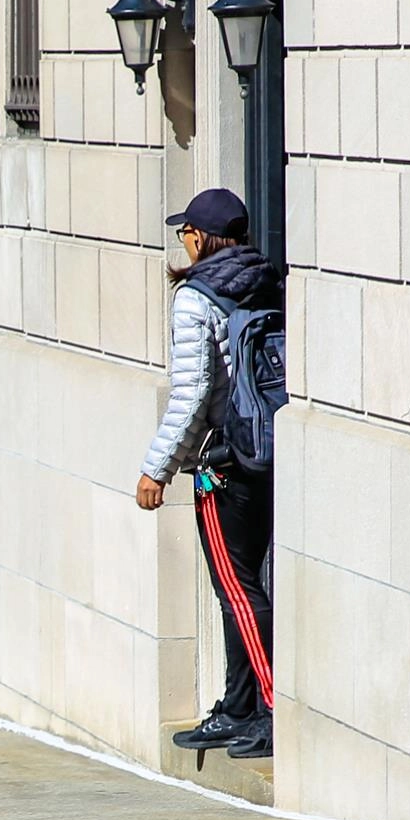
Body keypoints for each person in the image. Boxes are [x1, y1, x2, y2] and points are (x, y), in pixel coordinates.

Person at [136, 188, 281, 760]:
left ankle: (268, 711)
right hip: (265, 451)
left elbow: (192, 391)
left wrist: (157, 469)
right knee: (241, 588)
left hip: (223, 463)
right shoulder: (264, 280)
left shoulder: (197, 297)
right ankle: (240, 708)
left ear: (198, 237)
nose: (184, 242)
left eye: (186, 233)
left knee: (238, 590)